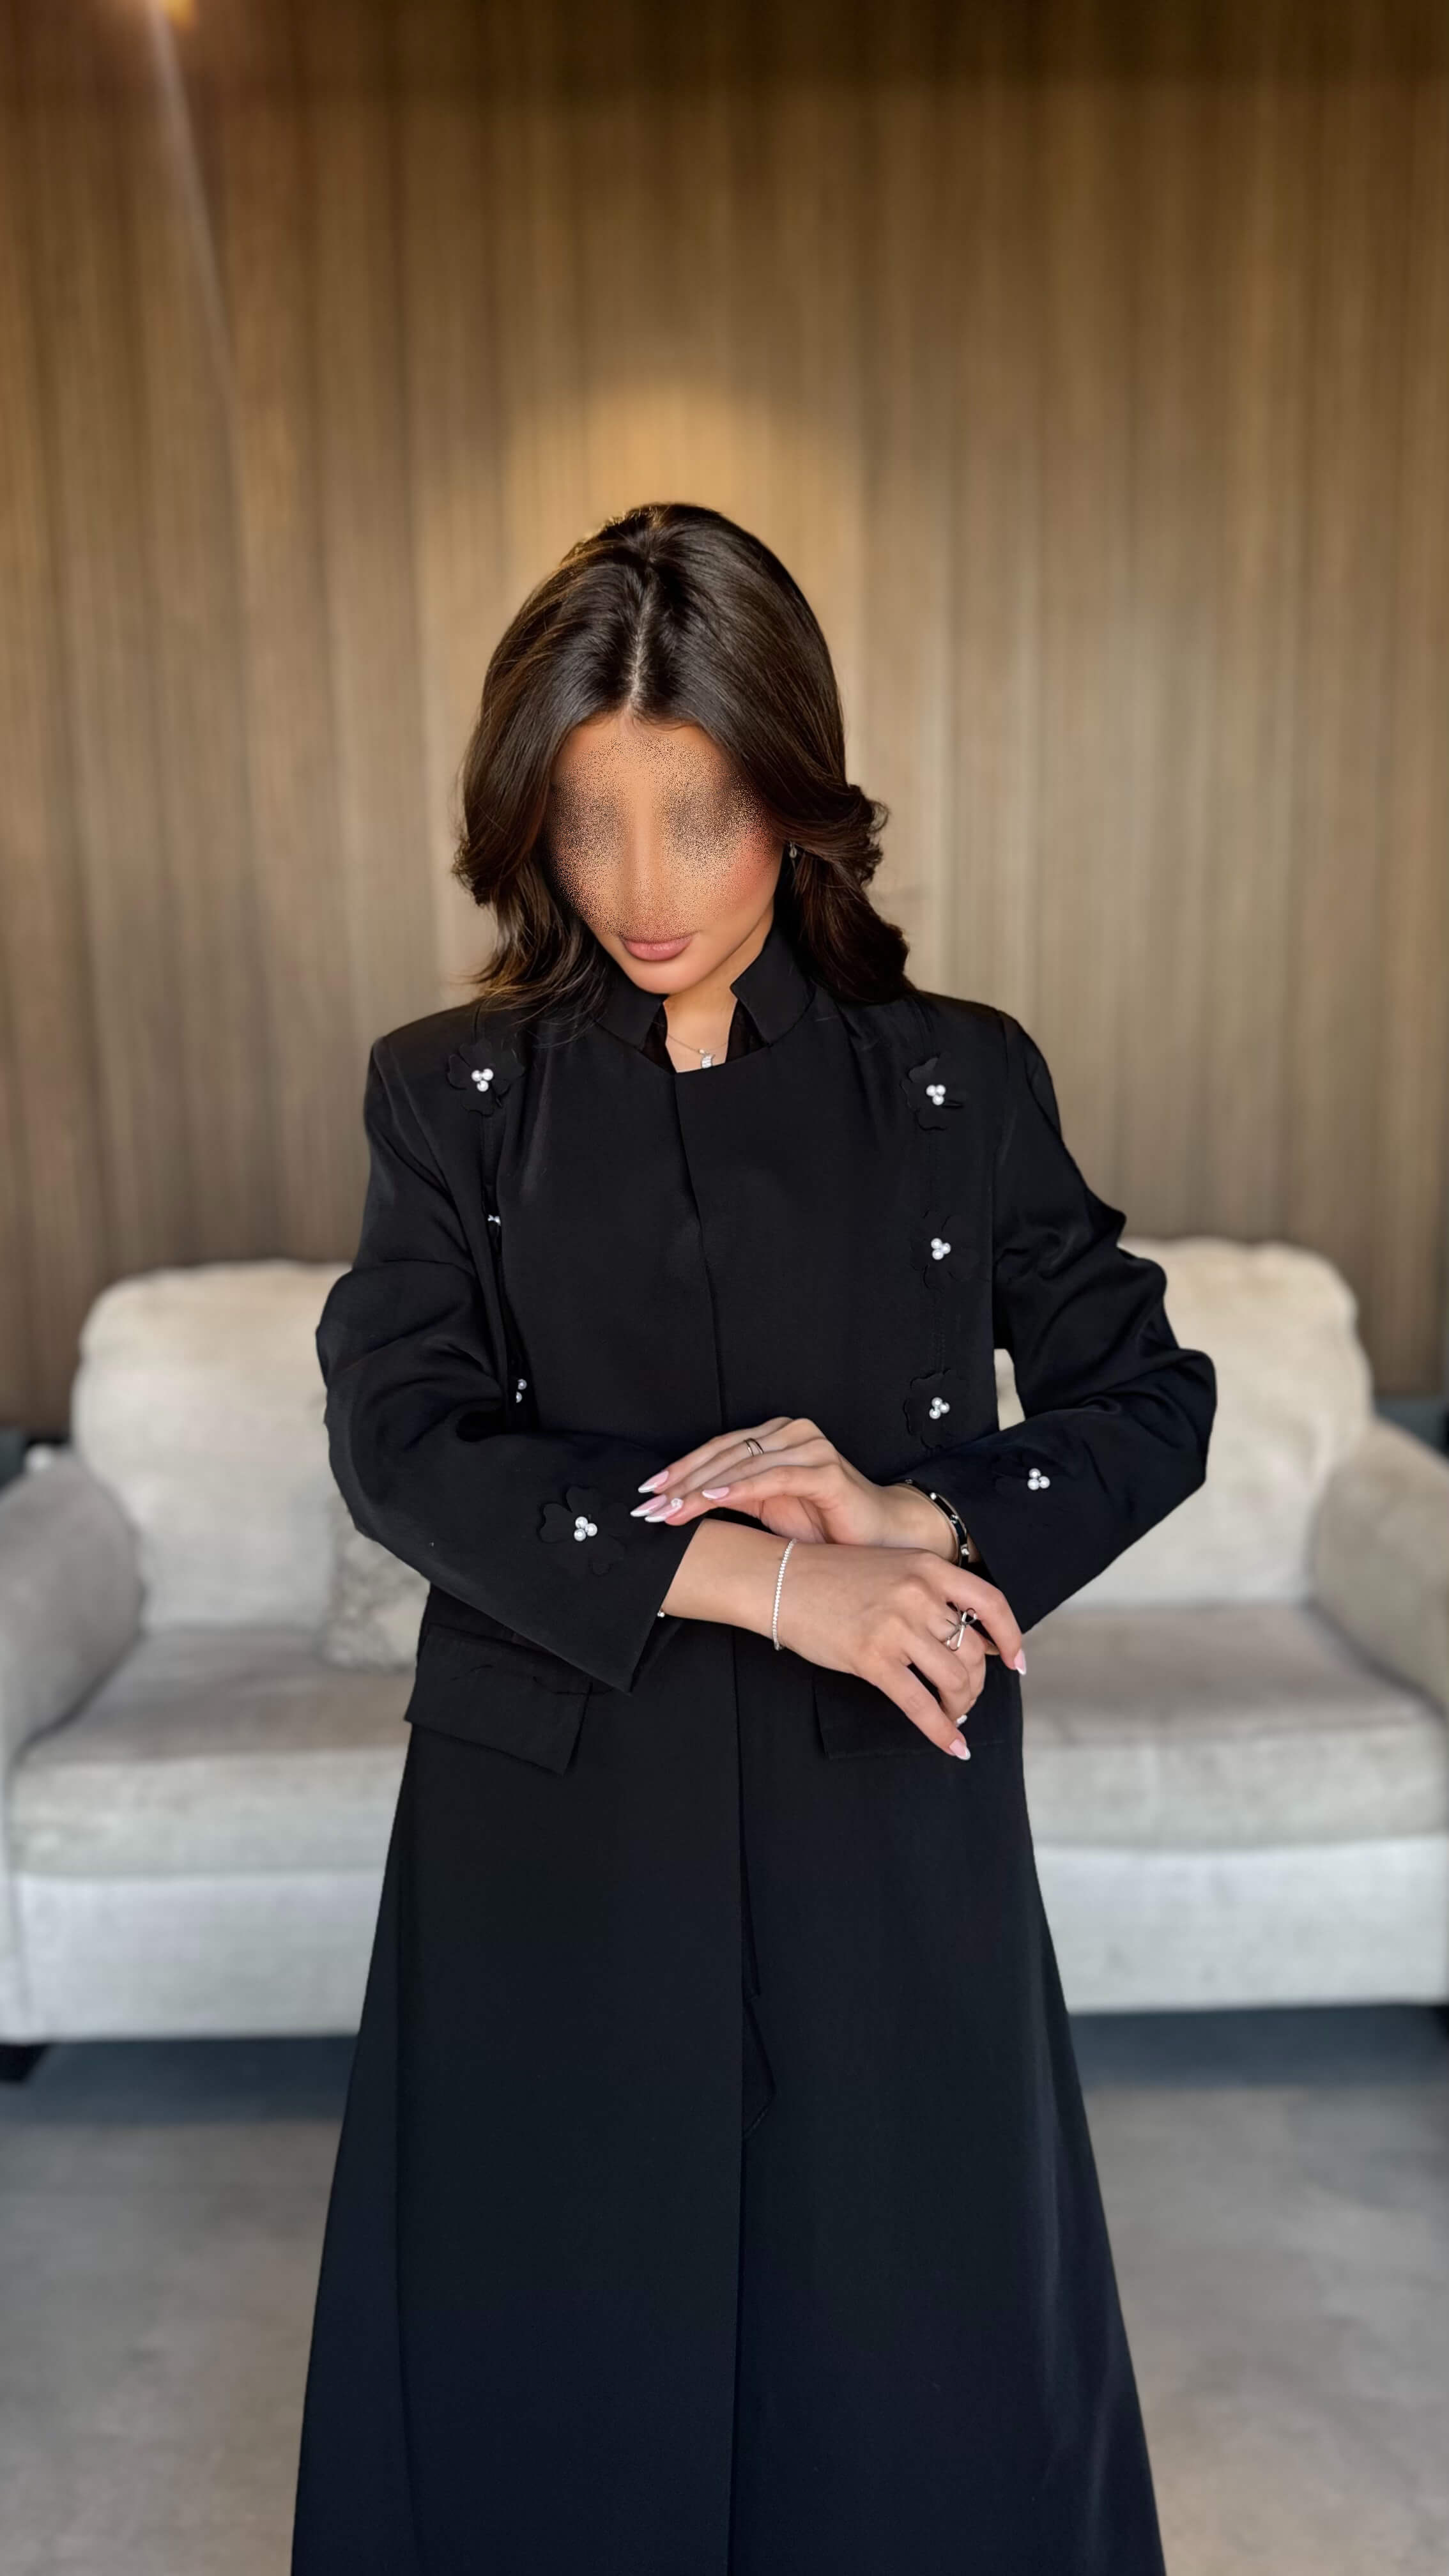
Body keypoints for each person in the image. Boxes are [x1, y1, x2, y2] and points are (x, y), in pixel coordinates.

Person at [289, 501, 1216, 2575]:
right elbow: (402, 1443)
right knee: (547, 2368)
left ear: (794, 802)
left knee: (909, 2362)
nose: (639, 887)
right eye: (585, 822)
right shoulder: (447, 1095)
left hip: (880, 1802)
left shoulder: (958, 1084)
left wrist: (918, 1512)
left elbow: (1149, 1397)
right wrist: (775, 1579)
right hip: (549, 1817)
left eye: (696, 819)